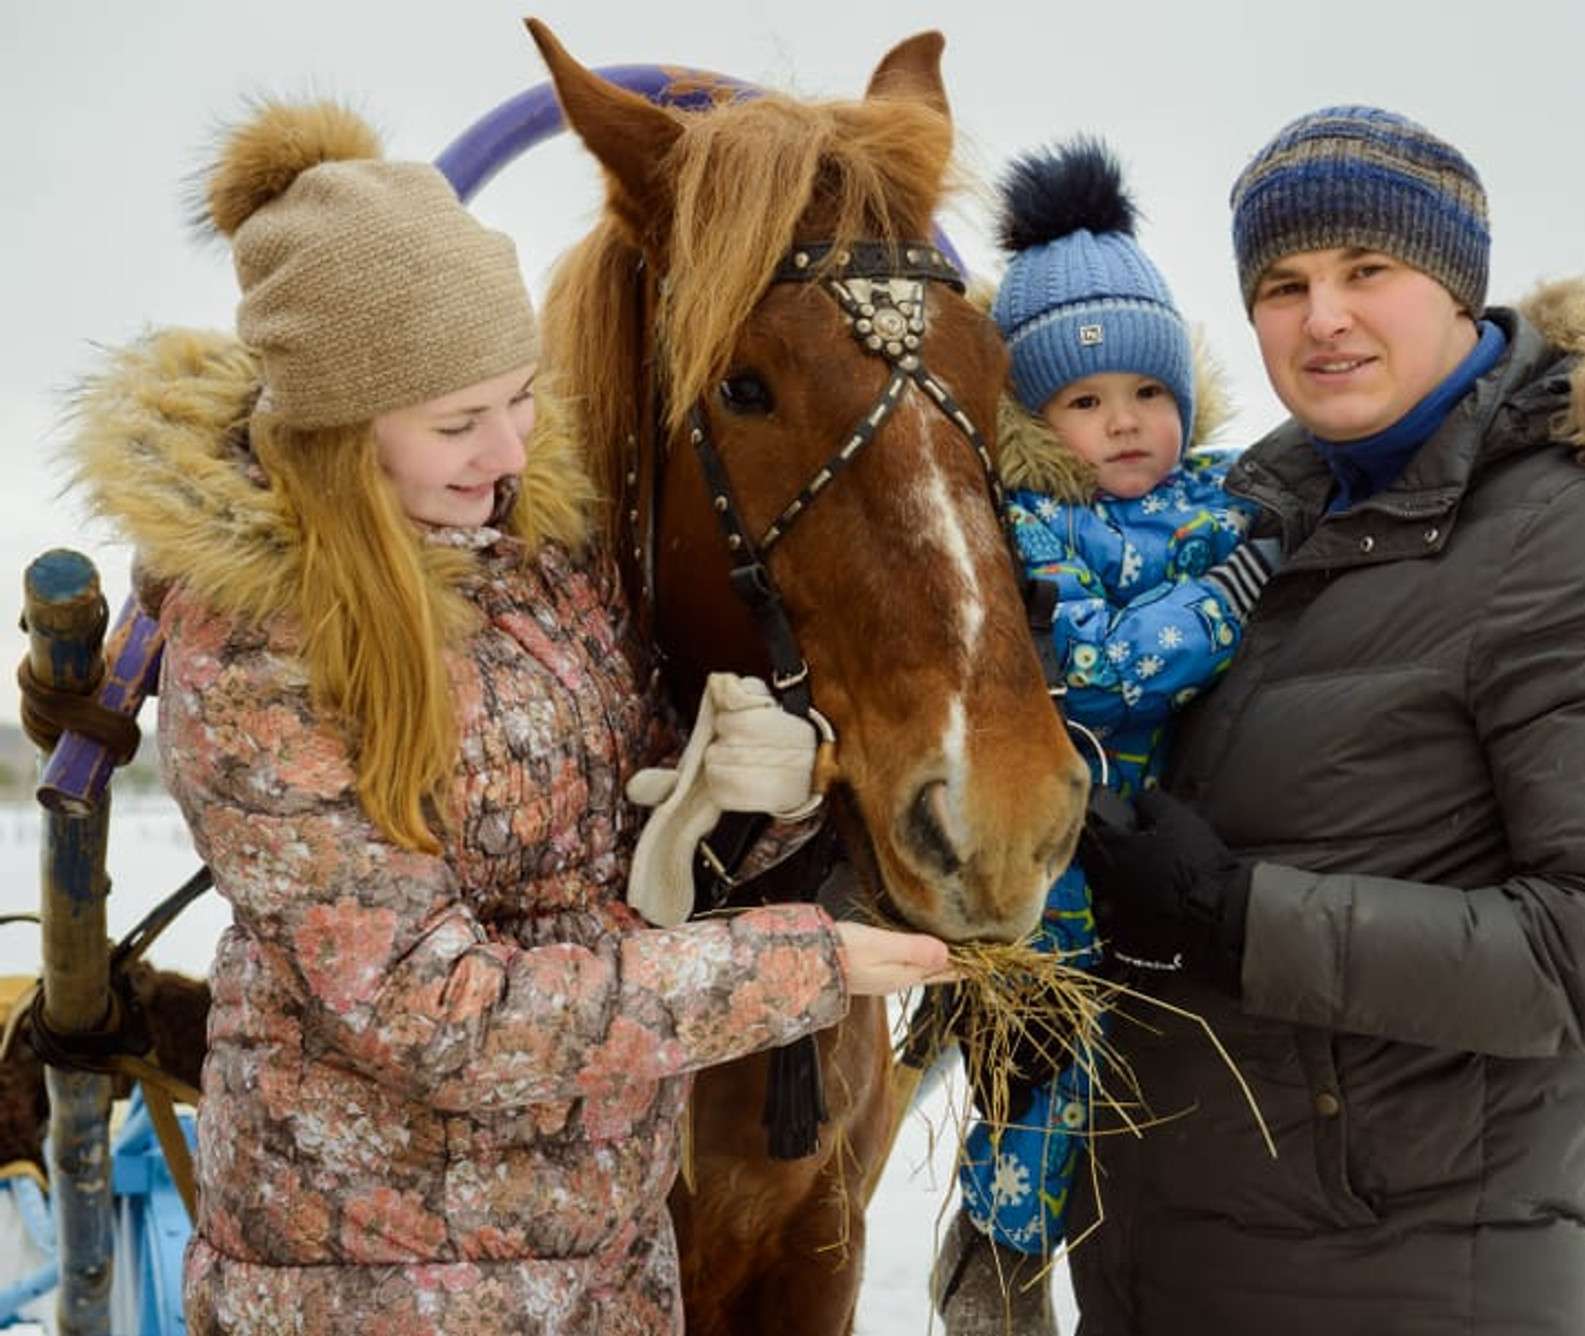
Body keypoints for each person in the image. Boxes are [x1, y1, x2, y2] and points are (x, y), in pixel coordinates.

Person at [59, 99, 949, 1334]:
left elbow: (608, 843)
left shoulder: (523, 555)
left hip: (595, 1262)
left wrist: (740, 799)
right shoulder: (259, 648)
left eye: (522, 398)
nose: (509, 450)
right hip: (374, 1286)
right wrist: (798, 963)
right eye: (456, 423)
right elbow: (434, 1013)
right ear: (334, 432)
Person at [1068, 106, 1585, 1334]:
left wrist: (1233, 918)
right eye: (1282, 282)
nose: (1322, 316)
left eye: (1365, 269)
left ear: (1453, 286)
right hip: (1170, 1254)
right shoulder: (1247, 519)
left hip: (1404, 1270)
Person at [931, 138, 1271, 1336]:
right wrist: (1213, 609)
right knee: (1042, 1071)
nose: (1123, 424)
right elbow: (1087, 666)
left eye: (1146, 394)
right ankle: (996, 1251)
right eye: (1081, 402)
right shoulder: (1028, 528)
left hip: (1179, 846)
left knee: (1159, 1089)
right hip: (1058, 856)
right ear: (1033, 419)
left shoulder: (1224, 498)